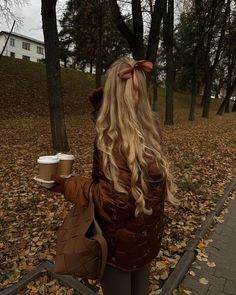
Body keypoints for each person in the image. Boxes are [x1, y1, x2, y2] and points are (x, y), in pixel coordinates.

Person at [51, 57, 179, 295]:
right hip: (144, 243)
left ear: (112, 94)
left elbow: (113, 202)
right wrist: (102, 107)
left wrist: (71, 185)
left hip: (117, 248)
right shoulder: (149, 133)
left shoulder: (109, 140)